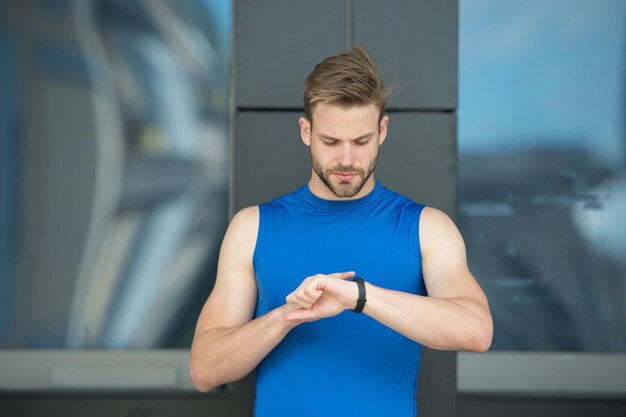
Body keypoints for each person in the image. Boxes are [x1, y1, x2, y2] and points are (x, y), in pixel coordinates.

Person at [189, 46, 493, 417]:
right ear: (306, 131)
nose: (347, 160)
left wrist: (358, 297)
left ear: (382, 130)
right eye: (331, 142)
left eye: (361, 142)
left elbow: (476, 331)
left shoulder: (427, 228)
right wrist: (287, 315)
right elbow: (205, 371)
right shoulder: (252, 228)